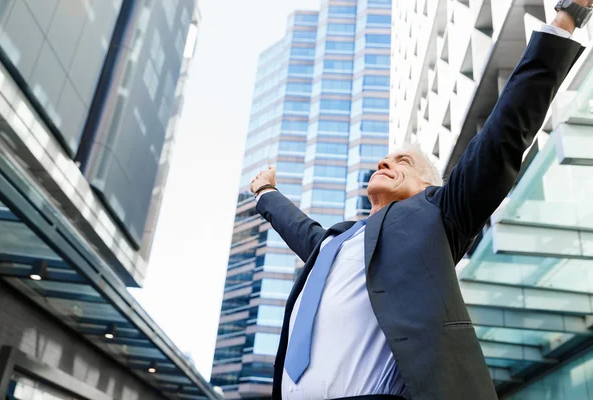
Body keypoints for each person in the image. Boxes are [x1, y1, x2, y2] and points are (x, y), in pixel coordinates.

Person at [250, 2, 591, 399]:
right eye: (385, 158)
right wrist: (266, 193)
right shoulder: (332, 244)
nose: (385, 162)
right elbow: (300, 229)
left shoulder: (437, 216)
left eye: (403, 162)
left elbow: (503, 133)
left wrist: (568, 17)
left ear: (428, 186)